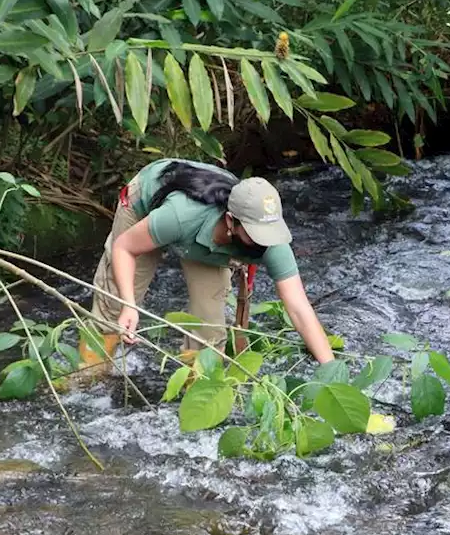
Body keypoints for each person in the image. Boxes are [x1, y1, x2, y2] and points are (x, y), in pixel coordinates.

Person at [78, 158, 336, 375]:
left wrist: (331, 370)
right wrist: (128, 305)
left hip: (204, 239)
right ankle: (89, 376)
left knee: (209, 331)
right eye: (255, 232)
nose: (263, 241)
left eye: (268, 232)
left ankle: (195, 387)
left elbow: (299, 308)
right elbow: (124, 247)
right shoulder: (180, 216)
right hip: (146, 207)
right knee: (114, 308)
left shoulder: (272, 241)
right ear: (231, 222)